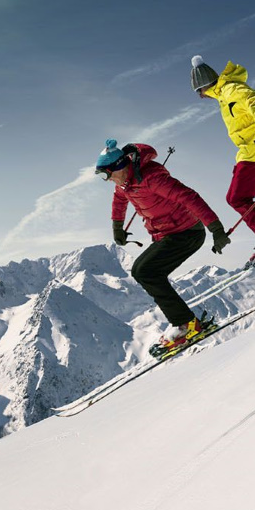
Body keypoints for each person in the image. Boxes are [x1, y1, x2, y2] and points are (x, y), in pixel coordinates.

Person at [97, 139, 231, 355]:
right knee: (146, 271)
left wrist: (216, 228)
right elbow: (119, 201)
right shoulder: (124, 184)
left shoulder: (151, 178)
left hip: (187, 233)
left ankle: (186, 324)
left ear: (120, 165)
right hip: (166, 235)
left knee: (145, 271)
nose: (108, 179)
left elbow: (189, 198)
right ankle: (184, 321)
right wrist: (117, 228)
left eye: (107, 174)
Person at [191, 55, 255, 265]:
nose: (201, 97)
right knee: (233, 198)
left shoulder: (230, 90)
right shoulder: (224, 94)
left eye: (198, 91)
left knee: (238, 199)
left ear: (204, 86)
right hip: (248, 150)